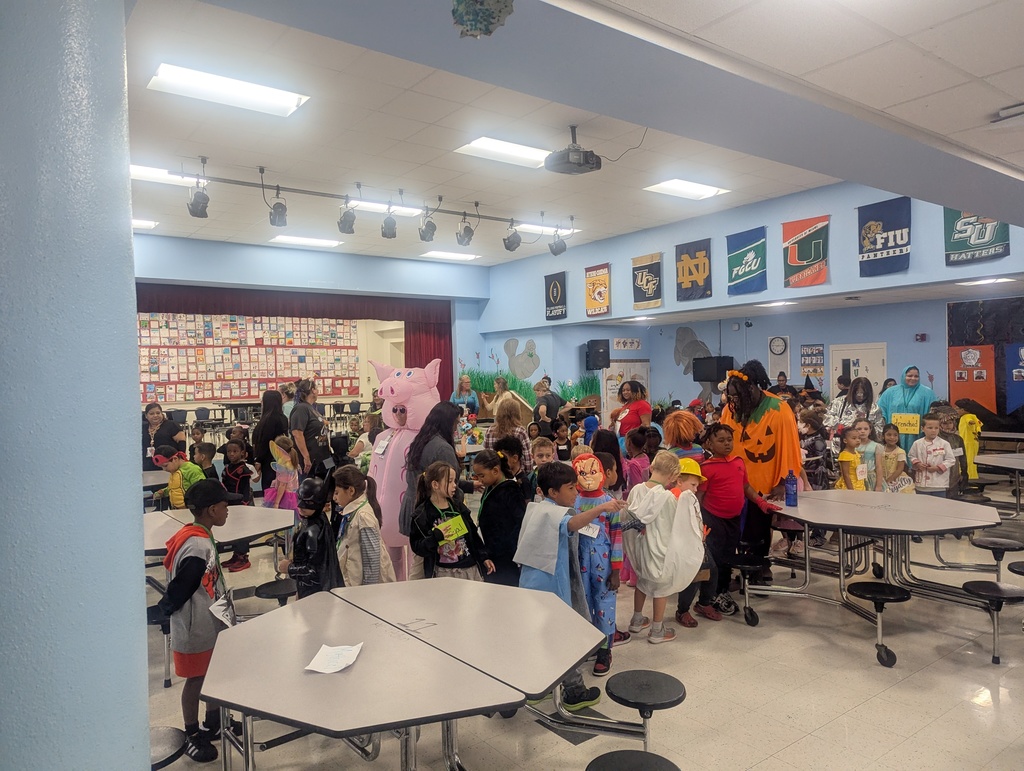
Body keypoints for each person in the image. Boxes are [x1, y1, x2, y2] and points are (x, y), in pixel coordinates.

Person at [514, 461, 624, 711]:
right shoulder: (553, 513)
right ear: (553, 492)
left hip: (534, 585)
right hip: (550, 588)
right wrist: (603, 507)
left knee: (542, 640)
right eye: (571, 488)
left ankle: (539, 687)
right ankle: (574, 692)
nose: (576, 493)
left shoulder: (536, 508)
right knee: (562, 640)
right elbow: (571, 524)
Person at [156, 480, 235, 763]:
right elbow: (184, 585)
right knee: (197, 680)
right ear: (212, 510)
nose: (228, 511)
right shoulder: (197, 544)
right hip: (195, 626)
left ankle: (213, 721)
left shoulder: (200, 534)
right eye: (225, 507)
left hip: (210, 621)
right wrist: (163, 609)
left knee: (214, 673)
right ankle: (192, 731)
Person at [720, 361, 802, 573]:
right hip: (734, 483)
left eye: (738, 395)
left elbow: (790, 448)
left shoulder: (779, 410)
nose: (734, 400)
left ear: (754, 388)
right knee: (733, 531)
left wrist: (783, 481)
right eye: (731, 396)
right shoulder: (731, 410)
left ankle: (760, 571)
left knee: (758, 531)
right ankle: (738, 571)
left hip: (764, 485)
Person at [621, 450, 705, 644]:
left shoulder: (637, 490)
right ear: (674, 477)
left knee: (642, 582)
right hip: (659, 551)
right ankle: (657, 630)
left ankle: (636, 619)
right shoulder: (667, 498)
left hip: (640, 550)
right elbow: (675, 525)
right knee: (661, 588)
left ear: (651, 467)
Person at [697, 423, 780, 614]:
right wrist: (697, 521)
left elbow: (746, 487)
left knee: (727, 555)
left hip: (734, 518)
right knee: (715, 558)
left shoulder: (738, 462)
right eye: (721, 440)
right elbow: (699, 497)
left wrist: (761, 503)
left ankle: (723, 589)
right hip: (713, 519)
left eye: (729, 440)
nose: (727, 444)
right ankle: (710, 596)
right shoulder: (706, 468)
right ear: (709, 444)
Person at [399, 401, 477, 561]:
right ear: (447, 422)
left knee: (419, 562)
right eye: (455, 423)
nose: (457, 428)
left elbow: (435, 479)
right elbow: (446, 485)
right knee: (430, 565)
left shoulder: (421, 441)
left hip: (416, 507)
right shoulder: (442, 448)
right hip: (432, 514)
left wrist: (470, 486)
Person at [572, 453, 626, 675]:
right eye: (582, 473)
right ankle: (588, 643)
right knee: (582, 603)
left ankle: (605, 649)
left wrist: (616, 570)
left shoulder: (608, 503)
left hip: (603, 560)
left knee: (604, 605)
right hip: (579, 560)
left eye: (592, 472)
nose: (587, 477)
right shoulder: (573, 500)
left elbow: (616, 535)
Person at [410, 461, 494, 580]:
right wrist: (435, 537)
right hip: (442, 572)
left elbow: (473, 535)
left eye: (455, 481)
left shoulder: (458, 507)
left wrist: (484, 557)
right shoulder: (422, 515)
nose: (454, 485)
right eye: (449, 481)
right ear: (435, 485)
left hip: (469, 568)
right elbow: (418, 547)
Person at [673, 458, 722, 628]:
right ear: (679, 481)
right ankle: (682, 610)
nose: (696, 490)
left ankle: (703, 603)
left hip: (698, 543)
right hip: (684, 546)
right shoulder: (674, 498)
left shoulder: (689, 498)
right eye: (693, 485)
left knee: (712, 571)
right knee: (691, 578)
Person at [277, 477, 344, 598]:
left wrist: (289, 568)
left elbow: (313, 570)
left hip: (314, 592)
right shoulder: (317, 520)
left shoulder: (314, 530)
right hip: (312, 588)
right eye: (300, 499)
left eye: (308, 502)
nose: (301, 506)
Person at [333, 465, 395, 586]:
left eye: (336, 493)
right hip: (353, 580)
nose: (334, 498)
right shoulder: (351, 511)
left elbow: (372, 560)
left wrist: (367, 591)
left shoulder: (364, 517)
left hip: (366, 589)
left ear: (351, 491)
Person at [473, 449, 527, 587]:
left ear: (495, 471)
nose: (479, 480)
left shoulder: (511, 491)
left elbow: (520, 522)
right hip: (492, 551)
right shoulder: (491, 487)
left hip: (506, 555)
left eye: (481, 475)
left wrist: (513, 552)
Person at [876, 365, 938, 454]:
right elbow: (880, 411)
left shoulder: (927, 393)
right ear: (903, 376)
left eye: (916, 376)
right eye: (909, 375)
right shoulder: (890, 392)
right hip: (894, 435)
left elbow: (933, 413)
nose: (913, 378)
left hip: (917, 435)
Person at [822, 376, 884, 455]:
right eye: (857, 393)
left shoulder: (874, 408)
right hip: (840, 448)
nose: (860, 396)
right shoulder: (838, 402)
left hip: (864, 451)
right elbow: (827, 419)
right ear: (852, 391)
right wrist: (842, 427)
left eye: (863, 393)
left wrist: (865, 431)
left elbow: (879, 430)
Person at [220, 439, 254, 573]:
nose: (231, 454)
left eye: (235, 451)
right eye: (229, 451)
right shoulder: (227, 468)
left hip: (241, 504)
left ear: (242, 453)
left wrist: (244, 505)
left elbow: (245, 490)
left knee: (242, 530)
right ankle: (236, 554)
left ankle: (243, 557)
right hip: (229, 504)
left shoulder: (243, 470)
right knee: (233, 529)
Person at [251, 389, 289, 498]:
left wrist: (258, 459)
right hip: (280, 459)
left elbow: (265, 442)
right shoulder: (282, 418)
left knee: (270, 492)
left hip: (269, 459)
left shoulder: (269, 420)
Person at [289, 378, 331, 477]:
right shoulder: (301, 408)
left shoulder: (312, 408)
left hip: (323, 457)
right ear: (313, 390)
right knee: (310, 489)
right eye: (317, 388)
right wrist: (306, 457)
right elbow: (297, 433)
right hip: (311, 460)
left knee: (328, 484)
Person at [909, 413, 955, 497]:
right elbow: (911, 456)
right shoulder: (917, 443)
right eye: (930, 428)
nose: (933, 430)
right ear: (923, 428)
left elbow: (951, 460)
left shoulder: (944, 444)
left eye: (936, 428)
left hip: (939, 484)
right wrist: (918, 464)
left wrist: (937, 468)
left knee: (938, 507)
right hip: (921, 485)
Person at [483, 399, 534, 473]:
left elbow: (486, 456)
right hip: (515, 475)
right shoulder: (521, 432)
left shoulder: (490, 431)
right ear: (517, 413)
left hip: (495, 474)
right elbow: (527, 459)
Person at [143, 402, 186, 471]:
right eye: (151, 414)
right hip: (147, 465)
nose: (155, 415)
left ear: (162, 413)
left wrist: (180, 460)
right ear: (146, 415)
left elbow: (181, 442)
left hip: (168, 464)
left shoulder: (171, 425)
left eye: (158, 413)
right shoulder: (143, 428)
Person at [493, 435, 535, 505]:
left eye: (503, 458)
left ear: (515, 458)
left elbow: (527, 506)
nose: (500, 461)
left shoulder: (523, 482)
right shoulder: (501, 478)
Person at [262, 435, 299, 512]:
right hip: (292, 493)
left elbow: (282, 484)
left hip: (283, 496)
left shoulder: (283, 464)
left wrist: (276, 502)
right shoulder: (291, 460)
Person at [853, 417, 885, 492]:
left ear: (870, 431)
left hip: (871, 478)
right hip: (855, 477)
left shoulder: (876, 446)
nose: (862, 431)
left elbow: (878, 466)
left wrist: (879, 485)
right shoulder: (851, 446)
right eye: (859, 429)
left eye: (866, 429)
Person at [881, 423, 915, 494]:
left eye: (895, 435)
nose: (892, 437)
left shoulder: (900, 452)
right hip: (882, 480)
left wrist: (889, 480)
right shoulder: (879, 450)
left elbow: (900, 469)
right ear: (883, 436)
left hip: (897, 482)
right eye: (889, 435)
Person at [954, 399, 983, 480]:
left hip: (967, 443)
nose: (956, 411)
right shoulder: (973, 416)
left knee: (968, 462)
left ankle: (969, 480)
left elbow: (970, 422)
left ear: (962, 410)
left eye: (957, 409)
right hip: (972, 442)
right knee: (971, 462)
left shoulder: (965, 417)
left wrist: (971, 424)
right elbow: (979, 424)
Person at [834, 426, 867, 491]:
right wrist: (851, 490)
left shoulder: (856, 453)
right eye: (854, 438)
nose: (858, 440)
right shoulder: (845, 455)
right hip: (850, 486)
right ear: (845, 440)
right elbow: (845, 475)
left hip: (859, 484)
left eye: (859, 438)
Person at [621, 428, 651, 493]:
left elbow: (636, 487)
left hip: (635, 497)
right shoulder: (645, 457)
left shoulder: (633, 464)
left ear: (629, 442)